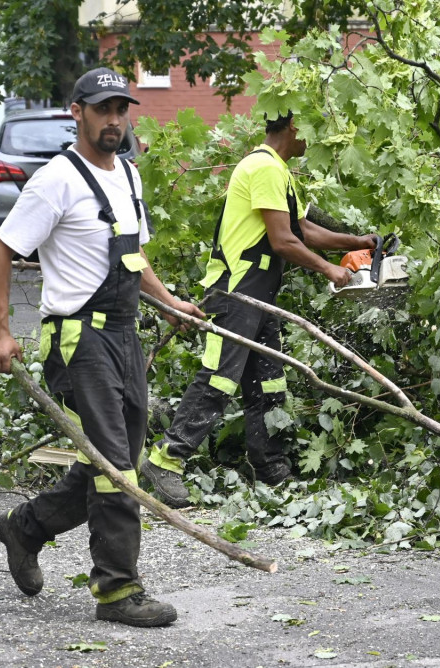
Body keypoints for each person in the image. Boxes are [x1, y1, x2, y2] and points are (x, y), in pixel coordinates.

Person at [0, 67, 205, 627]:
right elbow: (1, 251)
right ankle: (117, 590)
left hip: (125, 334)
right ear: (77, 111)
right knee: (114, 467)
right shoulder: (57, 179)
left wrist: (172, 301)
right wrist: (0, 330)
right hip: (80, 338)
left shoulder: (128, 176)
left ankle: (25, 527)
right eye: (103, 109)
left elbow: (134, 258)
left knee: (117, 461)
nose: (114, 120)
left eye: (121, 109)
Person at [140, 111, 377, 507]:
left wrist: (356, 241)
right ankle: (166, 459)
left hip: (259, 292)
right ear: (294, 126)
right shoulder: (263, 167)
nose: (313, 140)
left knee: (268, 381)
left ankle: (269, 463)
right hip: (237, 289)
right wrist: (329, 269)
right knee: (219, 377)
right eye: (312, 129)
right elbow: (283, 241)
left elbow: (304, 231)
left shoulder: (278, 171)